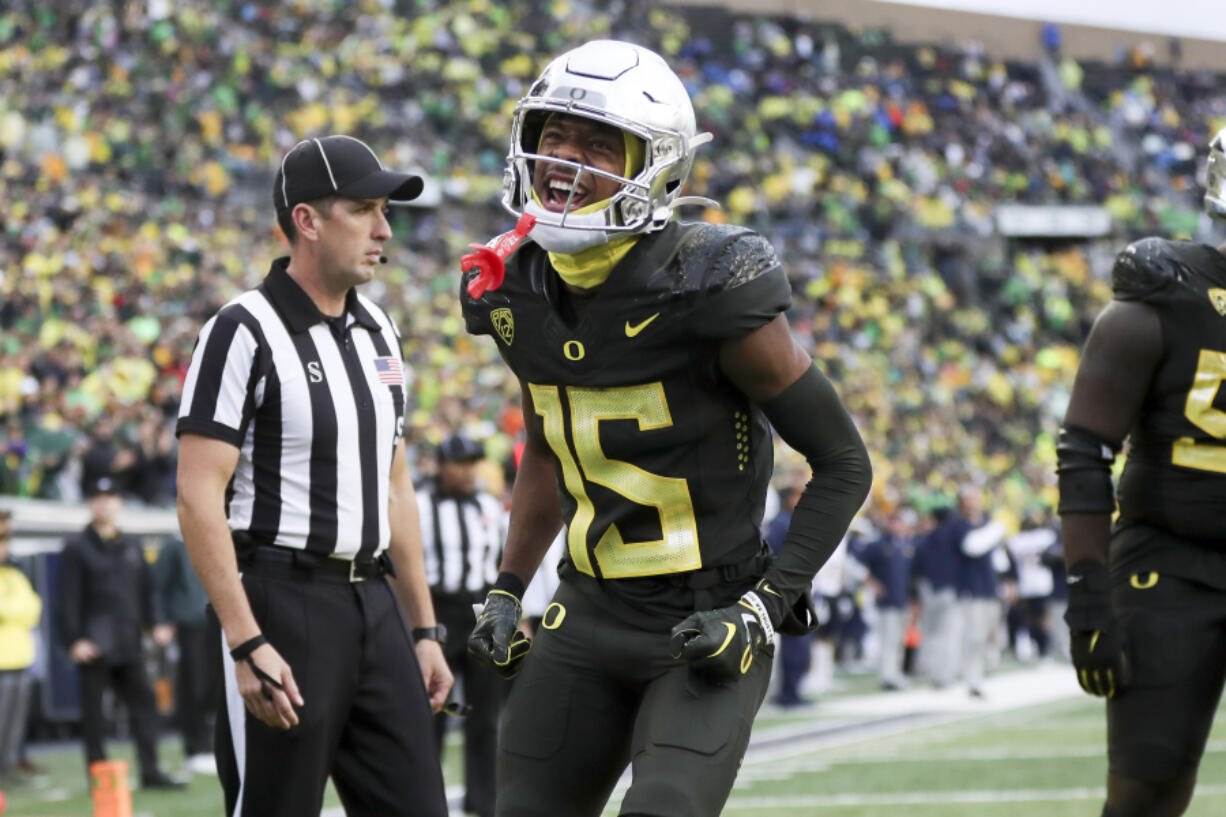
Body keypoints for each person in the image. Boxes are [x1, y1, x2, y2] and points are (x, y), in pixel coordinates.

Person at [460, 40, 872, 817]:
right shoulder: (514, 285)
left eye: (595, 143)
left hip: (704, 618)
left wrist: (763, 605)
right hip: (585, 613)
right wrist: (508, 588)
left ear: (659, 164)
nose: (564, 161)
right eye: (553, 136)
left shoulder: (708, 282)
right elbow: (552, 442)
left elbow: (844, 462)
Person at [175, 135, 451, 817]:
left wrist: (423, 629)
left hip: (375, 602)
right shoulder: (242, 329)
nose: (384, 230)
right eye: (363, 209)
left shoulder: (380, 330)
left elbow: (395, 486)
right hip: (283, 598)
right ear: (307, 220)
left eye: (384, 211)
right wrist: (245, 638)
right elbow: (196, 490)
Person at [1057, 127, 1226, 817]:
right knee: (1149, 784)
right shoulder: (1165, 295)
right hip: (1172, 560)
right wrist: (1089, 595)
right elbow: (1085, 454)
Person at [54, 476, 182, 789]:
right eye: (98, 497)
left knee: (145, 708)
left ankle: (151, 772)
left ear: (119, 503)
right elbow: (65, 597)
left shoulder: (131, 544)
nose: (104, 503)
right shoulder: (76, 548)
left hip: (128, 643)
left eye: (110, 497)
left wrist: (157, 623)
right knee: (95, 718)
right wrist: (74, 640)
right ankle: (99, 779)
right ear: (90, 504)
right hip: (94, 645)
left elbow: (146, 590)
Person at [417, 434, 507, 817]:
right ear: (440, 465)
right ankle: (424, 800)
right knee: (432, 710)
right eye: (461, 462)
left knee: (484, 716)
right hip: (437, 611)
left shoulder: (488, 505)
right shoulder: (420, 507)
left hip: (481, 612)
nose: (469, 470)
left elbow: (503, 561)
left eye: (473, 462)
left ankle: (484, 804)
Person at [152, 535, 217, 774]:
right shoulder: (175, 543)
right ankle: (196, 748)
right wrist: (162, 620)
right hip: (189, 623)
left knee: (215, 685)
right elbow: (158, 585)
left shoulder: (218, 533)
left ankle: (212, 745)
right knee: (194, 685)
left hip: (218, 620)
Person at [0, 508, 42, 777]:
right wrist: (15, 611)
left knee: (14, 726)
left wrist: (12, 611)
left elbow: (33, 609)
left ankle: (8, 767)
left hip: (20, 658)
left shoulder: (15, 575)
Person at [855, 510, 914, 691]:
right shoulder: (878, 545)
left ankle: (895, 673)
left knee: (898, 640)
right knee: (888, 639)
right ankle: (887, 676)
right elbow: (854, 562)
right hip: (886, 600)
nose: (897, 526)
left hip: (902, 599)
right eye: (894, 522)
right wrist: (870, 581)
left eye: (900, 522)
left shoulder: (906, 545)